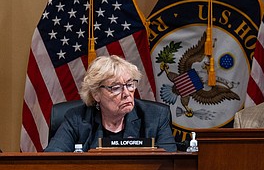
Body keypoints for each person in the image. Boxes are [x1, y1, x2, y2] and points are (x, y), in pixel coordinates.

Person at [45, 55, 177, 152]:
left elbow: (169, 165)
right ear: (96, 94)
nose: (126, 93)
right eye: (116, 87)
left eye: (130, 85)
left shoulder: (155, 117)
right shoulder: (77, 119)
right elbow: (52, 160)